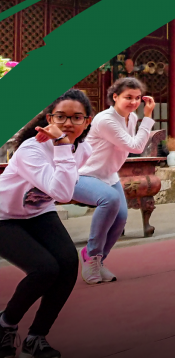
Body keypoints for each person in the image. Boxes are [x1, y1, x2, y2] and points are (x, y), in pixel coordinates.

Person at [0, 89, 94, 358]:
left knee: (68, 263)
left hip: (38, 212)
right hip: (3, 217)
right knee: (44, 269)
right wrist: (62, 145)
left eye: (77, 118)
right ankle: (5, 324)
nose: (68, 124)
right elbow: (63, 193)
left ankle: (36, 337)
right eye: (61, 117)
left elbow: (61, 188)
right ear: (48, 118)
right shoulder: (32, 149)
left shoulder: (82, 148)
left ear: (87, 121)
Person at [74, 77, 155, 284]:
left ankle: (98, 260)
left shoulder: (131, 118)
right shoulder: (106, 119)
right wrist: (148, 117)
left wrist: (141, 119)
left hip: (108, 176)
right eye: (128, 97)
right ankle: (90, 254)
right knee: (109, 200)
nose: (134, 102)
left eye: (138, 98)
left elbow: (130, 146)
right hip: (83, 174)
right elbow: (136, 147)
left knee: (120, 219)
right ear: (115, 97)